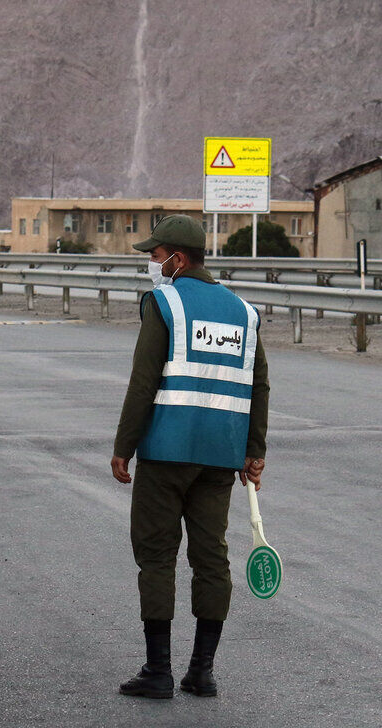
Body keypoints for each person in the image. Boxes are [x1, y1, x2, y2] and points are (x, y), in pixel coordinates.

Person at [111, 214, 269, 700]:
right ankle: (202, 671)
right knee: (211, 557)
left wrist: (124, 447)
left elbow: (144, 382)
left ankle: (158, 671)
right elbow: (258, 383)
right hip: (220, 457)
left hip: (166, 452)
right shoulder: (243, 311)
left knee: (157, 556)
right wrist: (254, 451)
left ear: (178, 258)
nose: (153, 265)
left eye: (156, 256)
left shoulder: (165, 303)